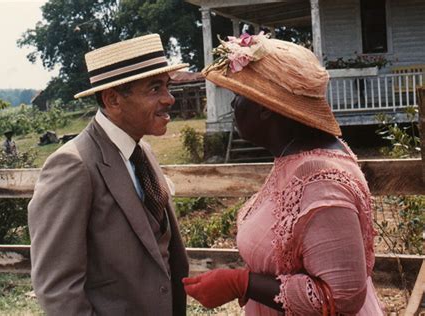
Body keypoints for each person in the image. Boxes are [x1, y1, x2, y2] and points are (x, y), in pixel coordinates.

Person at [183, 34, 384, 315]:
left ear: (266, 107)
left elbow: (340, 298)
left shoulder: (322, 180)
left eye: (239, 95)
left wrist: (241, 283)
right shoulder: (293, 157)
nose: (232, 105)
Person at [28, 34, 189, 316]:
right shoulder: (73, 165)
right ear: (113, 99)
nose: (169, 99)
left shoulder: (143, 152)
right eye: (154, 89)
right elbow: (57, 289)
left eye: (167, 86)